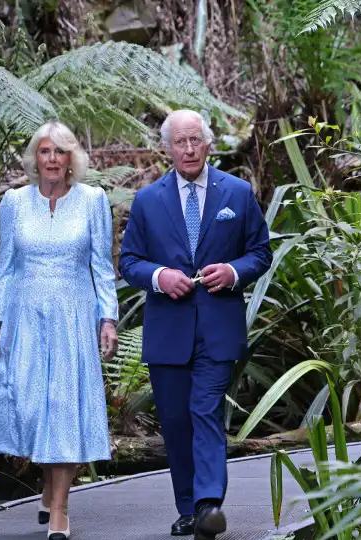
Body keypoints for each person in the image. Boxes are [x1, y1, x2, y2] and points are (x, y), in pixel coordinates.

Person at [118, 110, 272, 539]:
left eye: (195, 140)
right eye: (179, 142)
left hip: (217, 329)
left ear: (208, 143)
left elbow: (260, 252)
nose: (188, 149)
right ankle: (188, 507)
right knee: (175, 420)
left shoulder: (237, 193)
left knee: (204, 409)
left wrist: (235, 272)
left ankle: (208, 505)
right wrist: (160, 277)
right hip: (168, 331)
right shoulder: (148, 200)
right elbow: (128, 262)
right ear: (167, 149)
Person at [0, 121, 119, 540]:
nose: (52, 159)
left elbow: (102, 267)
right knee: (33, 405)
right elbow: (4, 266)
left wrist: (108, 319)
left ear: (73, 158)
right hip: (25, 317)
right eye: (45, 152)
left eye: (60, 152)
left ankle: (60, 509)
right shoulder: (14, 202)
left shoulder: (93, 200)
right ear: (35, 158)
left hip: (73, 314)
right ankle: (47, 486)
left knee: (65, 406)